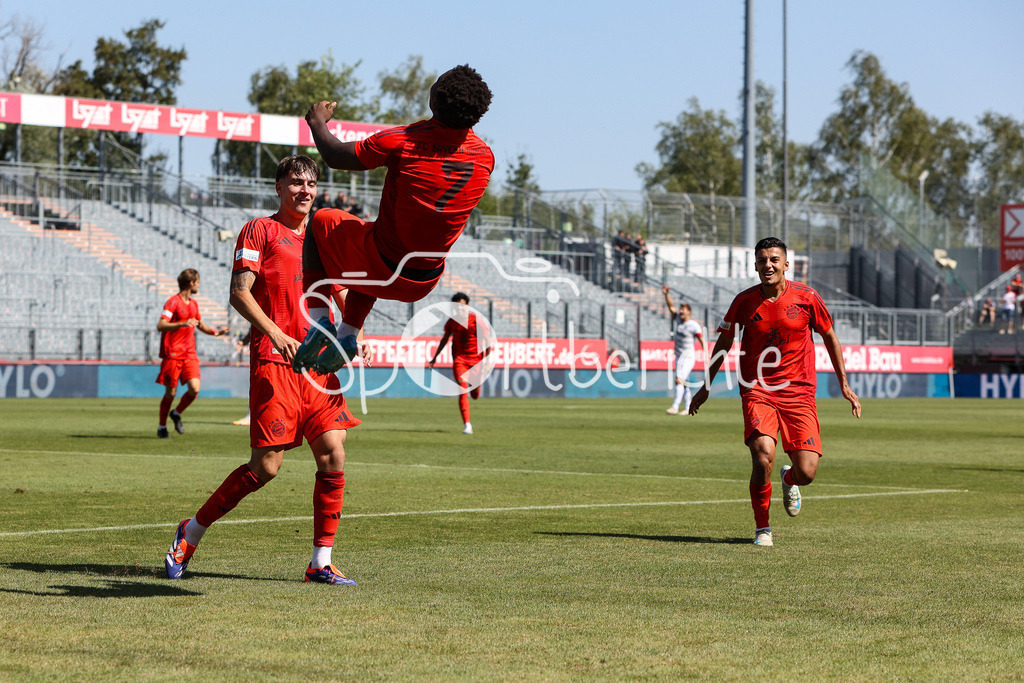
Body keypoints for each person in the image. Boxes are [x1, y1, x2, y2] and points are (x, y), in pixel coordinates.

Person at [164, 155, 363, 586]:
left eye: (311, 183)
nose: (305, 190)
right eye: (295, 182)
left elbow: (342, 289)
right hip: (275, 361)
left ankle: (320, 562)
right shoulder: (260, 229)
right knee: (265, 468)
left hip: (318, 365)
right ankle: (191, 531)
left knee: (333, 453)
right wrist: (275, 333)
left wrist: (353, 334)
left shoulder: (323, 237)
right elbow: (239, 292)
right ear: (278, 187)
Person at [293, 64, 494, 374]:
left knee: (320, 220)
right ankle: (347, 335)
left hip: (384, 263)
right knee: (370, 242)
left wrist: (317, 122)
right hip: (424, 280)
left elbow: (335, 156)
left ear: (435, 100)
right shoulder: (485, 157)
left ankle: (320, 322)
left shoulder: (405, 140)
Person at [688, 237, 861, 547]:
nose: (768, 265)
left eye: (774, 259)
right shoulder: (743, 302)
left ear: (785, 264)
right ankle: (762, 528)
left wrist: (844, 384)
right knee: (762, 455)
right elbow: (724, 343)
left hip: (799, 394)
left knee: (807, 472)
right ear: (755, 265)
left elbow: (831, 338)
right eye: (762, 260)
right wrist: (706, 385)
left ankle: (788, 478)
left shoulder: (808, 298)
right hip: (758, 391)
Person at [155, 268, 228, 438]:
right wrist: (181, 323)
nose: (199, 285)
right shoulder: (173, 302)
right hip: (172, 354)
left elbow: (199, 324)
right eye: (198, 282)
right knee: (170, 393)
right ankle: (162, 426)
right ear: (191, 283)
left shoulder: (194, 304)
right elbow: (161, 325)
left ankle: (177, 412)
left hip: (189, 354)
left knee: (194, 389)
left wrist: (216, 332)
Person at [427, 292, 492, 434]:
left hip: (476, 361)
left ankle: (476, 388)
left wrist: (488, 361)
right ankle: (467, 425)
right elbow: (445, 340)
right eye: (456, 307)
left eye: (462, 306)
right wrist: (435, 357)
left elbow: (487, 341)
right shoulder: (451, 322)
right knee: (463, 389)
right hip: (460, 360)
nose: (459, 309)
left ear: (467, 306)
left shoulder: (476, 320)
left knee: (474, 394)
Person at [662, 285, 702, 415]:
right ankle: (688, 407)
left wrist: (706, 353)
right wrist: (666, 294)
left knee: (679, 379)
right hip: (679, 356)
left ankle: (675, 406)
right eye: (680, 309)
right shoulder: (679, 320)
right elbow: (671, 307)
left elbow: (702, 340)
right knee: (683, 382)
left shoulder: (694, 325)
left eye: (683, 309)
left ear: (689, 311)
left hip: (689, 356)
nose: (680, 311)